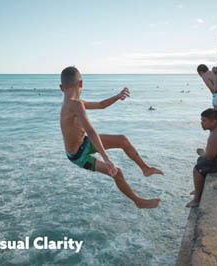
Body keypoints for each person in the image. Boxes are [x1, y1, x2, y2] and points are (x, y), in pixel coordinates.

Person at [57, 66, 163, 209]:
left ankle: (145, 168)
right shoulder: (75, 105)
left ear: (61, 87)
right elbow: (91, 131)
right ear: (81, 84)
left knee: (123, 140)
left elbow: (101, 105)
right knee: (117, 173)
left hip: (83, 143)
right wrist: (107, 159)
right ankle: (138, 201)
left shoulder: (76, 103)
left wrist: (117, 96)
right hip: (78, 156)